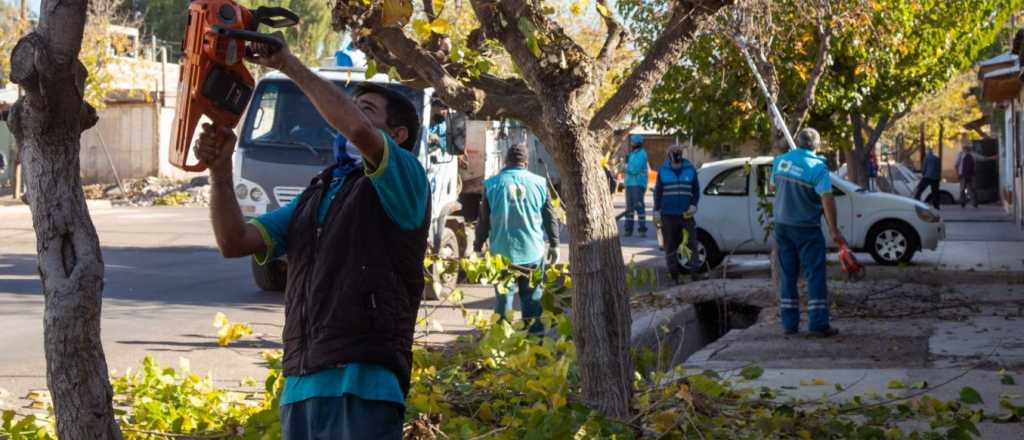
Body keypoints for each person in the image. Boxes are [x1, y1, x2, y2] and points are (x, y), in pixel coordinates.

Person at [193, 39, 429, 440]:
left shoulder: (406, 177)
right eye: (351, 107)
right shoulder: (316, 196)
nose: (350, 119)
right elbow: (234, 241)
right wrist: (218, 170)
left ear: (399, 135)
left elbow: (354, 127)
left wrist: (287, 63)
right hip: (302, 385)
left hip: (364, 382)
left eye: (366, 109)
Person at [474, 144, 560, 335]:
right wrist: (554, 244)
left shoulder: (491, 184)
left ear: (506, 161)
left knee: (504, 300)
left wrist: (478, 247)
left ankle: (502, 344)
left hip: (502, 256)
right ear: (526, 162)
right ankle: (535, 344)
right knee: (533, 300)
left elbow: (483, 221)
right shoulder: (539, 183)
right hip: (534, 255)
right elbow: (549, 217)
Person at [771, 128, 844, 338]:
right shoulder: (817, 167)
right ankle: (818, 324)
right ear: (817, 146)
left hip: (782, 226)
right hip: (806, 229)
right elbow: (827, 199)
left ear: (798, 142)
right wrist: (833, 229)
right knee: (815, 275)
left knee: (787, 275)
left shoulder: (780, 162)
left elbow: (773, 187)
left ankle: (789, 324)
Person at [653, 144, 702, 283]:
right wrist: (656, 210)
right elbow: (658, 193)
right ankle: (674, 276)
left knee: (692, 243)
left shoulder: (690, 169)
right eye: (673, 152)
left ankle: (695, 274)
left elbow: (696, 190)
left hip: (686, 214)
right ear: (668, 154)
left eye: (678, 152)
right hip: (668, 215)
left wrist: (694, 205)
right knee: (670, 246)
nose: (675, 154)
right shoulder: (663, 171)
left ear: (682, 153)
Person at [623, 134, 650, 237]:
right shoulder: (632, 154)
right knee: (629, 207)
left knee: (638, 206)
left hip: (638, 184)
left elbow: (635, 170)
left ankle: (642, 229)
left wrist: (625, 167)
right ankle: (628, 229)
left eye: (633, 142)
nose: (631, 144)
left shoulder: (642, 154)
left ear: (638, 143)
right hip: (630, 183)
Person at [955, 142, 977, 208]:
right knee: (963, 190)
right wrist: (957, 174)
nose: (966, 149)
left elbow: (981, 158)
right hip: (963, 175)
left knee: (971, 189)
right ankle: (963, 203)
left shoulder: (972, 154)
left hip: (970, 175)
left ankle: (974, 203)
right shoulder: (960, 154)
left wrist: (991, 158)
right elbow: (956, 165)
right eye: (965, 147)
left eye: (967, 147)